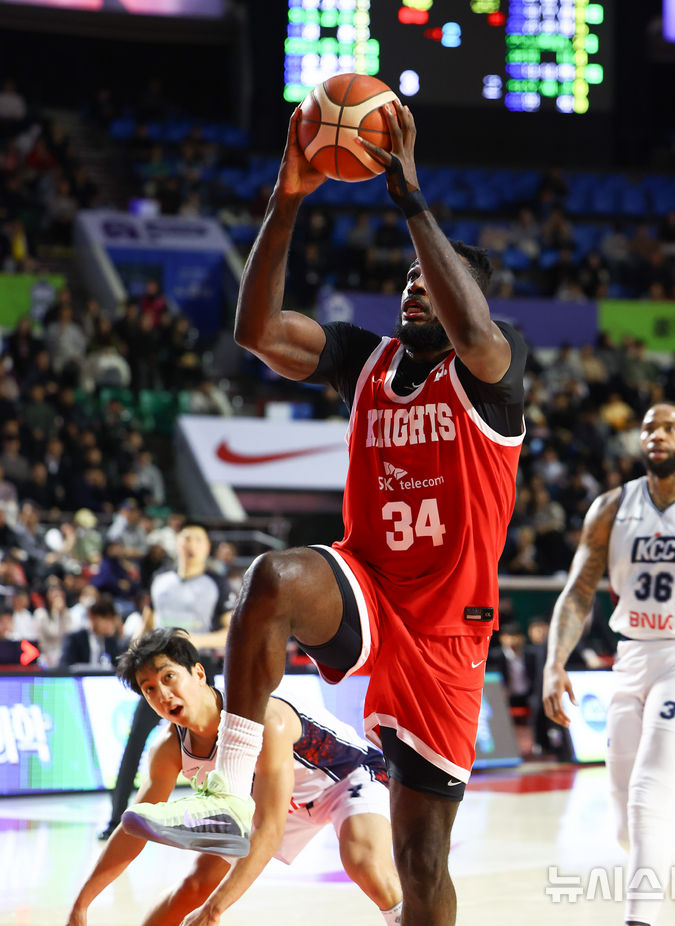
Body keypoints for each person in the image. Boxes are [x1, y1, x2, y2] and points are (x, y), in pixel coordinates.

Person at [127, 99, 526, 926]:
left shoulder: (493, 367)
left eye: (432, 278)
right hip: (369, 587)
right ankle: (227, 795)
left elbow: (474, 330)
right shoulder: (363, 358)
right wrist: (287, 198)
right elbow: (257, 331)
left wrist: (412, 201)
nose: (415, 285)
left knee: (421, 861)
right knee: (273, 577)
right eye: (408, 278)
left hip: (449, 625)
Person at [67, 628, 402, 926]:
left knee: (364, 862)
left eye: (169, 677)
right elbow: (133, 829)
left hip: (345, 776)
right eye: (149, 689)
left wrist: (215, 910)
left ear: (199, 673)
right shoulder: (168, 749)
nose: (163, 694)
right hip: (277, 798)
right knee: (195, 885)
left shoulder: (261, 719)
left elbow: (270, 829)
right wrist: (82, 903)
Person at [543, 402, 675, 926]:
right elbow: (578, 591)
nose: (657, 435)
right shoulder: (611, 507)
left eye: (670, 428)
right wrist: (555, 662)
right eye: (648, 429)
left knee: (648, 797)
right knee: (629, 829)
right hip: (631, 658)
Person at [98, 525, 235, 840]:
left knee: (214, 747)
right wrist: (133, 655)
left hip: (195, 668)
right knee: (134, 744)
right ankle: (116, 820)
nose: (191, 544)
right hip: (157, 671)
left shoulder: (216, 582)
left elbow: (229, 633)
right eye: (186, 538)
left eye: (198, 539)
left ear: (207, 547)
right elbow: (146, 624)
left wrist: (188, 641)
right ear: (177, 543)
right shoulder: (160, 579)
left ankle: (219, 816)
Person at [60, 594, 124, 668]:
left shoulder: (111, 642)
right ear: (92, 617)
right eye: (106, 618)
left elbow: (117, 667)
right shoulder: (75, 639)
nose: (109, 624)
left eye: (111, 620)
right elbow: (65, 667)